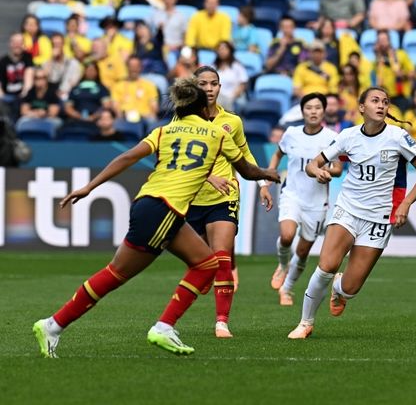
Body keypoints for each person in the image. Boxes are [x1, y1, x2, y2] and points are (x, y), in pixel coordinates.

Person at [32, 77, 280, 358]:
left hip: (150, 203)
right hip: (165, 209)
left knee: (206, 263)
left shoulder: (165, 131)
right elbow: (246, 170)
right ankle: (56, 324)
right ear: (201, 107)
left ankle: (160, 326)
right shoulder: (216, 134)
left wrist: (90, 186)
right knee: (117, 273)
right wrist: (267, 174)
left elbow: (126, 157)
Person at [287, 87, 416, 339]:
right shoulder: (348, 136)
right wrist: (318, 172)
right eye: (375, 101)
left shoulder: (399, 137)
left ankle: (340, 289)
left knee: (351, 288)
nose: (381, 105)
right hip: (348, 209)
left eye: (385, 102)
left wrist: (406, 203)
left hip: (378, 218)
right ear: (362, 108)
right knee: (326, 266)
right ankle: (305, 322)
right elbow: (314, 163)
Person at [185, 65, 273, 338]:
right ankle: (204, 273)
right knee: (200, 264)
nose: (209, 88)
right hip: (191, 198)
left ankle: (222, 321)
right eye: (203, 84)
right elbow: (179, 160)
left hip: (225, 198)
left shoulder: (232, 122)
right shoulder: (184, 121)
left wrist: (262, 183)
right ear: (194, 88)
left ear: (220, 87)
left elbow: (244, 154)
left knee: (222, 257)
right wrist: (208, 176)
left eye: (214, 83)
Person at [267, 93, 341, 306]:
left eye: (318, 107)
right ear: (302, 111)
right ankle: (282, 265)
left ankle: (287, 290)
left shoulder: (331, 137)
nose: (313, 111)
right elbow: (278, 154)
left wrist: (327, 172)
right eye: (309, 108)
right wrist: (270, 175)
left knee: (303, 251)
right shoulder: (291, 133)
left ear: (323, 111)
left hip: (317, 202)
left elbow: (338, 167)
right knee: (287, 235)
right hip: (292, 194)